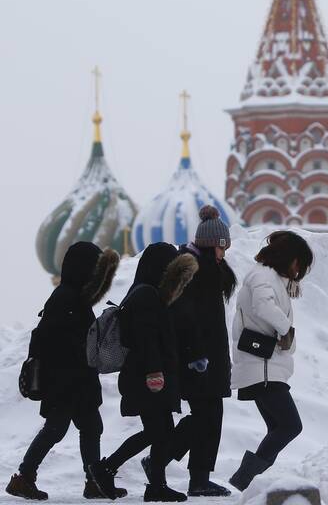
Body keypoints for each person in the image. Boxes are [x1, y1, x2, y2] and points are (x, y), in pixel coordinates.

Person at [6, 242, 121, 501]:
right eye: (94, 270)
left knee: (92, 426)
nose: (97, 277)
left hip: (77, 381)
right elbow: (53, 341)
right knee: (56, 428)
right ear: (83, 270)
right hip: (65, 382)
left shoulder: (76, 297)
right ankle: (24, 478)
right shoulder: (65, 298)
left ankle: (93, 482)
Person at [88, 243, 198, 503]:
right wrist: (154, 372)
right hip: (148, 378)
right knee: (161, 432)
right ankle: (145, 482)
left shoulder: (142, 292)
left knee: (158, 432)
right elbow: (146, 339)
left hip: (145, 377)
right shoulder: (147, 295)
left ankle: (113, 471)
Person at [142, 205, 237, 498]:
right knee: (204, 418)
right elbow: (187, 318)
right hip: (198, 359)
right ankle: (161, 460)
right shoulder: (195, 271)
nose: (225, 253)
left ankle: (198, 477)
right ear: (213, 245)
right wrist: (197, 354)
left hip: (208, 357)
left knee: (209, 417)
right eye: (223, 247)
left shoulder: (208, 269)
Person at [229, 230, 313, 492]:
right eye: (300, 261)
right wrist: (286, 329)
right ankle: (245, 480)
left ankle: (250, 482)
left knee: (279, 426)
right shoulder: (262, 275)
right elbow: (263, 306)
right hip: (262, 367)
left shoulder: (267, 276)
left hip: (265, 366)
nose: (299, 269)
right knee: (290, 425)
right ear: (290, 257)